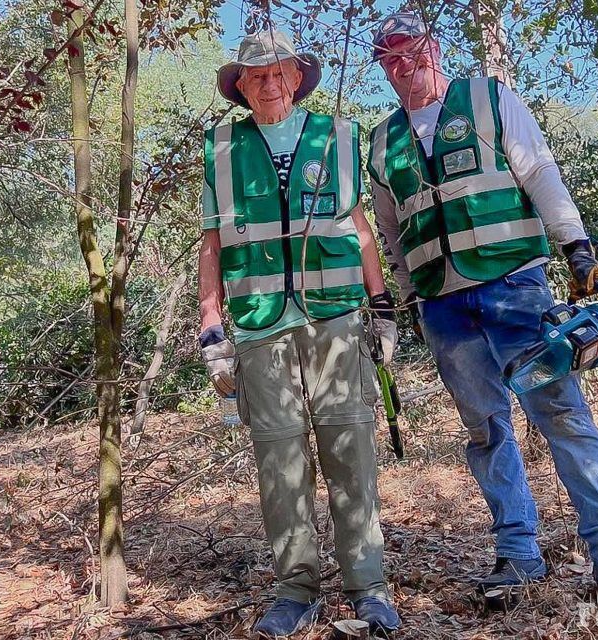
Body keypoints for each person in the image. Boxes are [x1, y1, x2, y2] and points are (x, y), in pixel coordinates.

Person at [366, 13, 598, 610]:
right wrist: (407, 298)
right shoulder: (383, 142)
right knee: (486, 430)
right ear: (382, 67)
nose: (403, 65)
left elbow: (538, 169)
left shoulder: (488, 100)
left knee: (562, 416)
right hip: (443, 306)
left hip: (514, 288)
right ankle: (518, 554)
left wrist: (576, 248)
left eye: (411, 50)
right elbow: (391, 230)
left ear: (434, 48)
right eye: (389, 58)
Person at [198, 30, 401, 636]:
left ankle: (368, 586)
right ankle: (295, 588)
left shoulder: (335, 136)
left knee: (350, 450)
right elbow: (213, 242)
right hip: (259, 325)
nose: (269, 84)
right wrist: (211, 324)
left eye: (278, 73)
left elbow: (359, 226)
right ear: (241, 86)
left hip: (335, 319)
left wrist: (381, 304)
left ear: (295, 77)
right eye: (256, 76)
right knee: (279, 460)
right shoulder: (223, 147)